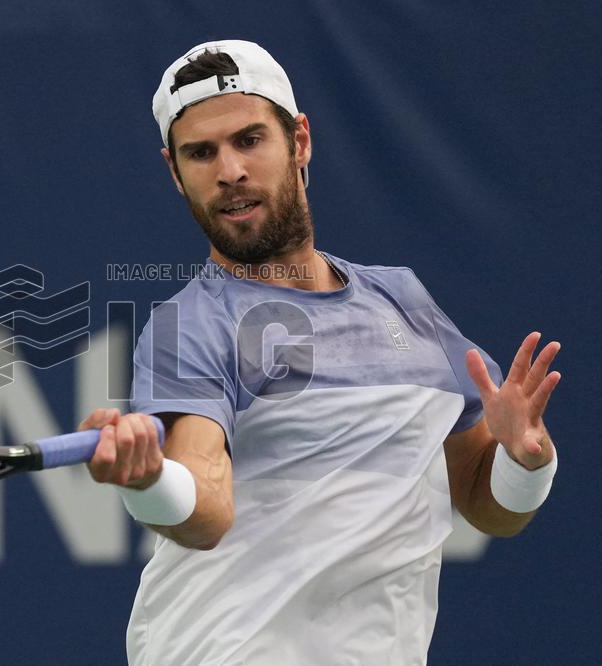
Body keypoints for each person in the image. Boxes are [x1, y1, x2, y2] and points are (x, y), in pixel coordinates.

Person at [79, 40, 561, 665]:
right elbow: (205, 508)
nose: (229, 171)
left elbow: (486, 504)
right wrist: (149, 482)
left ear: (299, 141)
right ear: (176, 172)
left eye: (249, 140)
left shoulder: (404, 302)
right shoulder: (190, 326)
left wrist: (526, 463)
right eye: (202, 153)